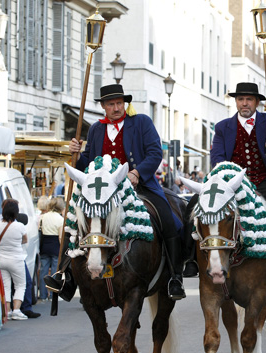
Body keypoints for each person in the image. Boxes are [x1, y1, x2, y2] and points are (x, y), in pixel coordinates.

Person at [48, 84, 185, 300]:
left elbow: (155, 152)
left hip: (139, 186)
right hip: (103, 192)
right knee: (73, 221)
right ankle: (64, 276)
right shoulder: (96, 129)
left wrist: (137, 173)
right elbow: (89, 163)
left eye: (119, 103)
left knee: (170, 220)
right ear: (103, 106)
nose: (116, 107)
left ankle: (175, 277)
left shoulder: (141, 122)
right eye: (111, 104)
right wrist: (77, 154)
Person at [184, 82, 266, 280]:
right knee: (195, 205)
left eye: (249, 99)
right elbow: (217, 157)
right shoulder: (223, 127)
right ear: (236, 102)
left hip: (263, 181)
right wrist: (227, 176)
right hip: (231, 184)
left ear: (257, 102)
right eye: (240, 99)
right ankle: (191, 260)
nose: (244, 103)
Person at [0, 199, 29, 320]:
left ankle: (7, 311)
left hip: (1, 258)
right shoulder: (20, 226)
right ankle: (17, 310)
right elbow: (25, 240)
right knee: (20, 285)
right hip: (16, 259)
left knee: (6, 286)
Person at [39, 197, 65, 301]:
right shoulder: (60, 219)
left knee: (43, 271)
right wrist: (62, 249)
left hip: (44, 244)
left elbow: (39, 230)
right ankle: (54, 294)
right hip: (55, 245)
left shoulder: (43, 217)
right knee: (55, 271)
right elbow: (60, 237)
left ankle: (43, 295)